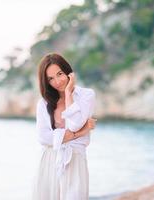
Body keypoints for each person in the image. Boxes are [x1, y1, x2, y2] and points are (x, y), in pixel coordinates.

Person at [32, 53, 96, 200]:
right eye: (51, 79)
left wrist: (68, 93)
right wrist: (79, 133)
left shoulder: (87, 95)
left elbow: (74, 124)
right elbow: (43, 138)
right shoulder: (43, 104)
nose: (58, 81)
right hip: (49, 160)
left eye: (60, 74)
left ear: (68, 71)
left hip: (76, 160)